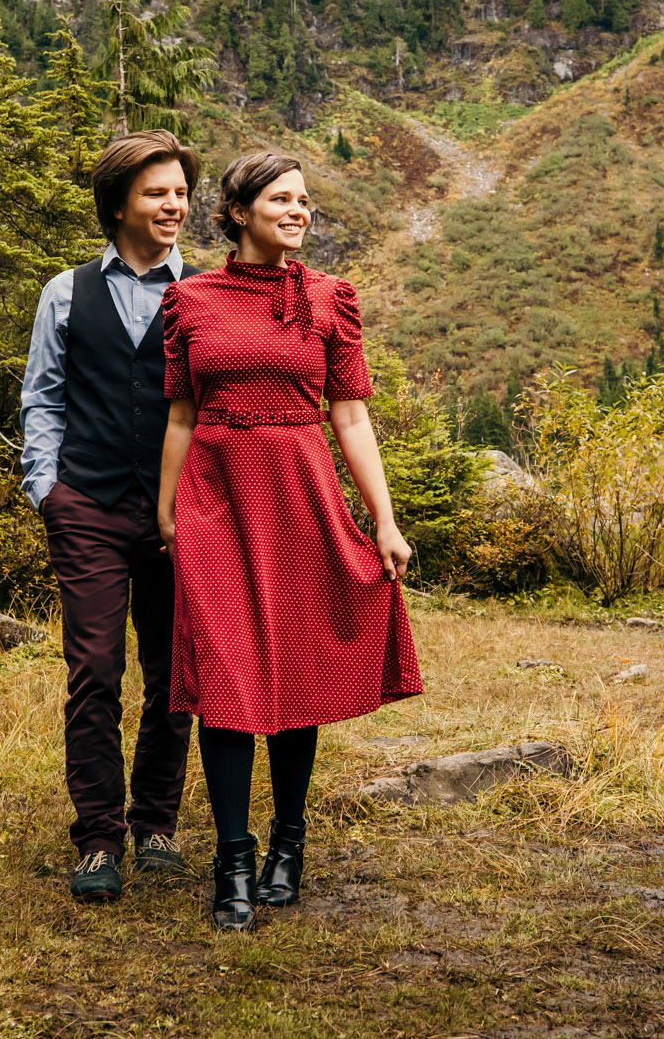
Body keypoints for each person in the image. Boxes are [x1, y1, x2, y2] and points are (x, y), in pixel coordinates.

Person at [156, 151, 423, 931]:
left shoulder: (331, 298)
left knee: (296, 668)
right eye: (282, 198)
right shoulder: (190, 299)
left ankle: (289, 843)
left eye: (305, 200)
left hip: (300, 495)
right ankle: (232, 858)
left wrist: (385, 518)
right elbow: (178, 413)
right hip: (214, 499)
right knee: (228, 677)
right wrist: (168, 509)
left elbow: (350, 415)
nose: (300, 211)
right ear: (238, 211)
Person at [20, 129, 206, 902]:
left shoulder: (204, 293)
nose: (174, 205)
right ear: (119, 203)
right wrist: (49, 492)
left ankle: (156, 820)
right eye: (157, 192)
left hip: (179, 516)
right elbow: (43, 398)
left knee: (173, 674)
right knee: (95, 671)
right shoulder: (65, 292)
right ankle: (98, 837)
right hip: (88, 505)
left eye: (181, 193)